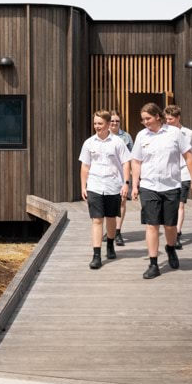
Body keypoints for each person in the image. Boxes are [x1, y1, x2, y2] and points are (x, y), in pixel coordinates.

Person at [130, 103, 192, 279]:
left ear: (158, 117)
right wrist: (135, 185)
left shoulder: (174, 133)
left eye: (148, 118)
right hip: (149, 186)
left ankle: (170, 248)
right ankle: (153, 264)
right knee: (152, 224)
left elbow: (188, 155)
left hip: (171, 186)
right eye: (143, 119)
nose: (145, 122)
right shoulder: (141, 136)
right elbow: (136, 161)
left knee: (169, 225)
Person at [79, 110, 131, 269]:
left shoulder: (118, 142)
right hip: (94, 185)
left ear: (108, 124)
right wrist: (83, 186)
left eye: (100, 123)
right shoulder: (89, 143)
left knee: (110, 218)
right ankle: (96, 255)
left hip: (113, 185)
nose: (97, 126)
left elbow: (126, 163)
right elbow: (85, 165)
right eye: (95, 123)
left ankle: (110, 244)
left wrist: (126, 183)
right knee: (96, 220)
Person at [164, 104, 192, 244]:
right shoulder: (163, 133)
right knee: (171, 205)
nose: (168, 122)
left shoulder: (189, 134)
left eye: (171, 119)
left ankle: (177, 232)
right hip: (169, 174)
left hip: (184, 172)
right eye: (166, 119)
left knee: (180, 204)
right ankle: (172, 229)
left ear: (178, 118)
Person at [109, 111, 134, 246]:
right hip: (106, 175)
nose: (114, 123)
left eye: (117, 121)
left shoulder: (126, 137)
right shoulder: (102, 135)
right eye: (112, 121)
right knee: (108, 204)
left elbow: (132, 155)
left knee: (122, 202)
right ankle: (110, 229)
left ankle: (118, 231)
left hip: (122, 174)